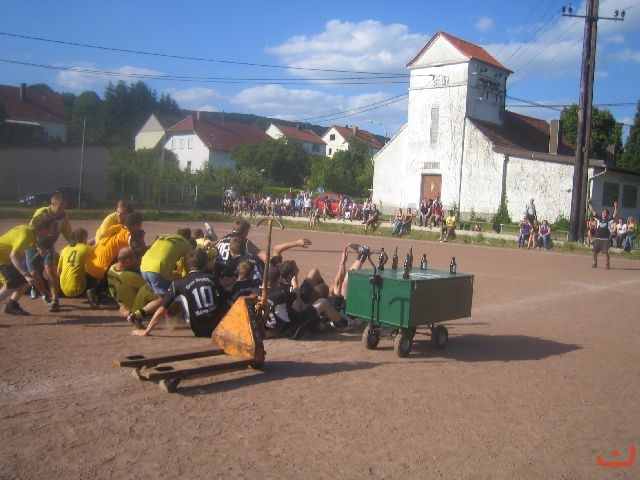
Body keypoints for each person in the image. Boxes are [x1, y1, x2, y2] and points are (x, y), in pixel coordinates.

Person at [134, 249, 235, 337]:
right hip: (217, 326)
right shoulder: (213, 278)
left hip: (199, 329)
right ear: (205, 264)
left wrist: (146, 331)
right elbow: (227, 300)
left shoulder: (178, 283)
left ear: (188, 264)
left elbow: (162, 309)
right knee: (226, 298)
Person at [85, 212, 145, 308]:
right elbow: (139, 252)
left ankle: (101, 290)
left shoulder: (118, 227)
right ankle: (95, 290)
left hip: (90, 263)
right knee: (129, 261)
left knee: (121, 256)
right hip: (101, 269)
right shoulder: (129, 235)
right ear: (135, 225)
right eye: (140, 225)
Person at [1, 212, 56, 315]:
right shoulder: (27, 234)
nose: (53, 230)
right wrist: (25, 274)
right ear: (45, 228)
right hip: (2, 259)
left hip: (5, 259)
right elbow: (13, 256)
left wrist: (39, 247)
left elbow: (33, 240)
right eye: (52, 227)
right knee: (10, 284)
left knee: (25, 282)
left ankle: (12, 305)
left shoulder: (30, 230)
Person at [28, 192, 74, 312]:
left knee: (50, 271)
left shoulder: (63, 215)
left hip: (48, 246)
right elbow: (31, 231)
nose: (62, 210)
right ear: (52, 204)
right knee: (33, 274)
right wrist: (38, 246)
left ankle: (55, 300)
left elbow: (67, 230)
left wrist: (73, 241)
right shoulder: (42, 212)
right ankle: (45, 294)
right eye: (60, 207)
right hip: (33, 246)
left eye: (64, 207)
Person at [107, 247, 162, 327]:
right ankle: (136, 314)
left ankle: (127, 311)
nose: (135, 261)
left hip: (123, 304)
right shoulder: (129, 276)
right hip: (133, 306)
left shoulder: (112, 268)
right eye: (134, 259)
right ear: (128, 260)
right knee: (155, 292)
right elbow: (149, 286)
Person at [140, 229, 194, 297]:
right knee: (166, 300)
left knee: (158, 297)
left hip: (144, 267)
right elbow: (187, 267)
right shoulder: (187, 245)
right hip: (158, 270)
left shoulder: (165, 236)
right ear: (189, 238)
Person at [57, 227, 94, 299]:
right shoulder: (87, 248)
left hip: (63, 289)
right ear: (85, 238)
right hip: (79, 290)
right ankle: (93, 290)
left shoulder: (65, 249)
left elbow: (58, 273)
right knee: (95, 267)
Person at [588, 199, 618, 269]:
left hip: (605, 240)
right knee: (594, 252)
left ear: (607, 214)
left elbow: (615, 213)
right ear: (601, 213)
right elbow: (592, 210)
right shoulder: (598, 218)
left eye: (605, 213)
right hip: (598, 239)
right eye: (603, 213)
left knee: (606, 253)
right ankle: (594, 262)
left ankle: (607, 264)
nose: (604, 214)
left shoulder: (609, 220)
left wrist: (615, 207)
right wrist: (589, 203)